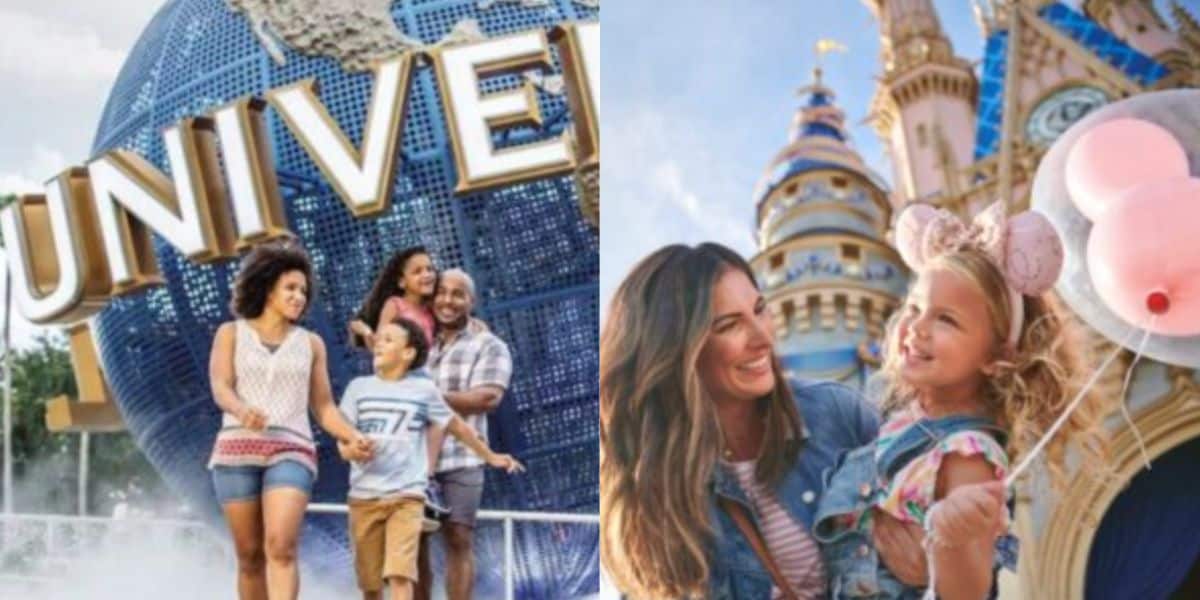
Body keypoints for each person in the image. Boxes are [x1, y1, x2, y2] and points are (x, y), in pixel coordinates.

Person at [813, 202, 1109, 599]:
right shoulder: (899, 424)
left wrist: (951, 541)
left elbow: (965, 590)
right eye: (915, 308)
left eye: (946, 319)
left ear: (995, 358)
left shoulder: (967, 453)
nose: (917, 328)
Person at [599, 243, 929, 599]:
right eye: (729, 326)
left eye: (760, 310)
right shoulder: (651, 502)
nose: (762, 339)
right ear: (679, 352)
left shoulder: (836, 413)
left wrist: (934, 557)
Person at [208, 240, 372, 600]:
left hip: (292, 450)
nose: (300, 296)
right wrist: (240, 409)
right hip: (236, 452)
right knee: (249, 556)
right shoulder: (230, 333)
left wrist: (351, 434)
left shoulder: (312, 344)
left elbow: (325, 407)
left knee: (281, 545)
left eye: (303, 290)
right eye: (291, 288)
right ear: (267, 289)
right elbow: (220, 387)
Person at [337, 316, 524, 600]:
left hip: (406, 497)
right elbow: (343, 437)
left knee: (400, 573)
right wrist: (349, 450)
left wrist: (490, 456)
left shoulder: (423, 391)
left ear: (408, 353)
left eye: (388, 340)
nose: (378, 345)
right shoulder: (358, 388)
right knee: (370, 584)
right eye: (378, 340)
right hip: (364, 497)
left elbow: (457, 426)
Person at [415, 268, 514, 600]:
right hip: (412, 459)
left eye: (458, 294)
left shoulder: (489, 345)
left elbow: (488, 397)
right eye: (442, 292)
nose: (448, 300)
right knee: (412, 544)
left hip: (462, 457)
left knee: (459, 538)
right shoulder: (415, 342)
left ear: (471, 301)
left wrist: (429, 399)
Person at [350, 246, 438, 349]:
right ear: (402, 282)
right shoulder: (395, 305)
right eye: (417, 272)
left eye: (430, 269)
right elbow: (379, 347)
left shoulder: (430, 309)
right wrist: (366, 333)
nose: (426, 275)